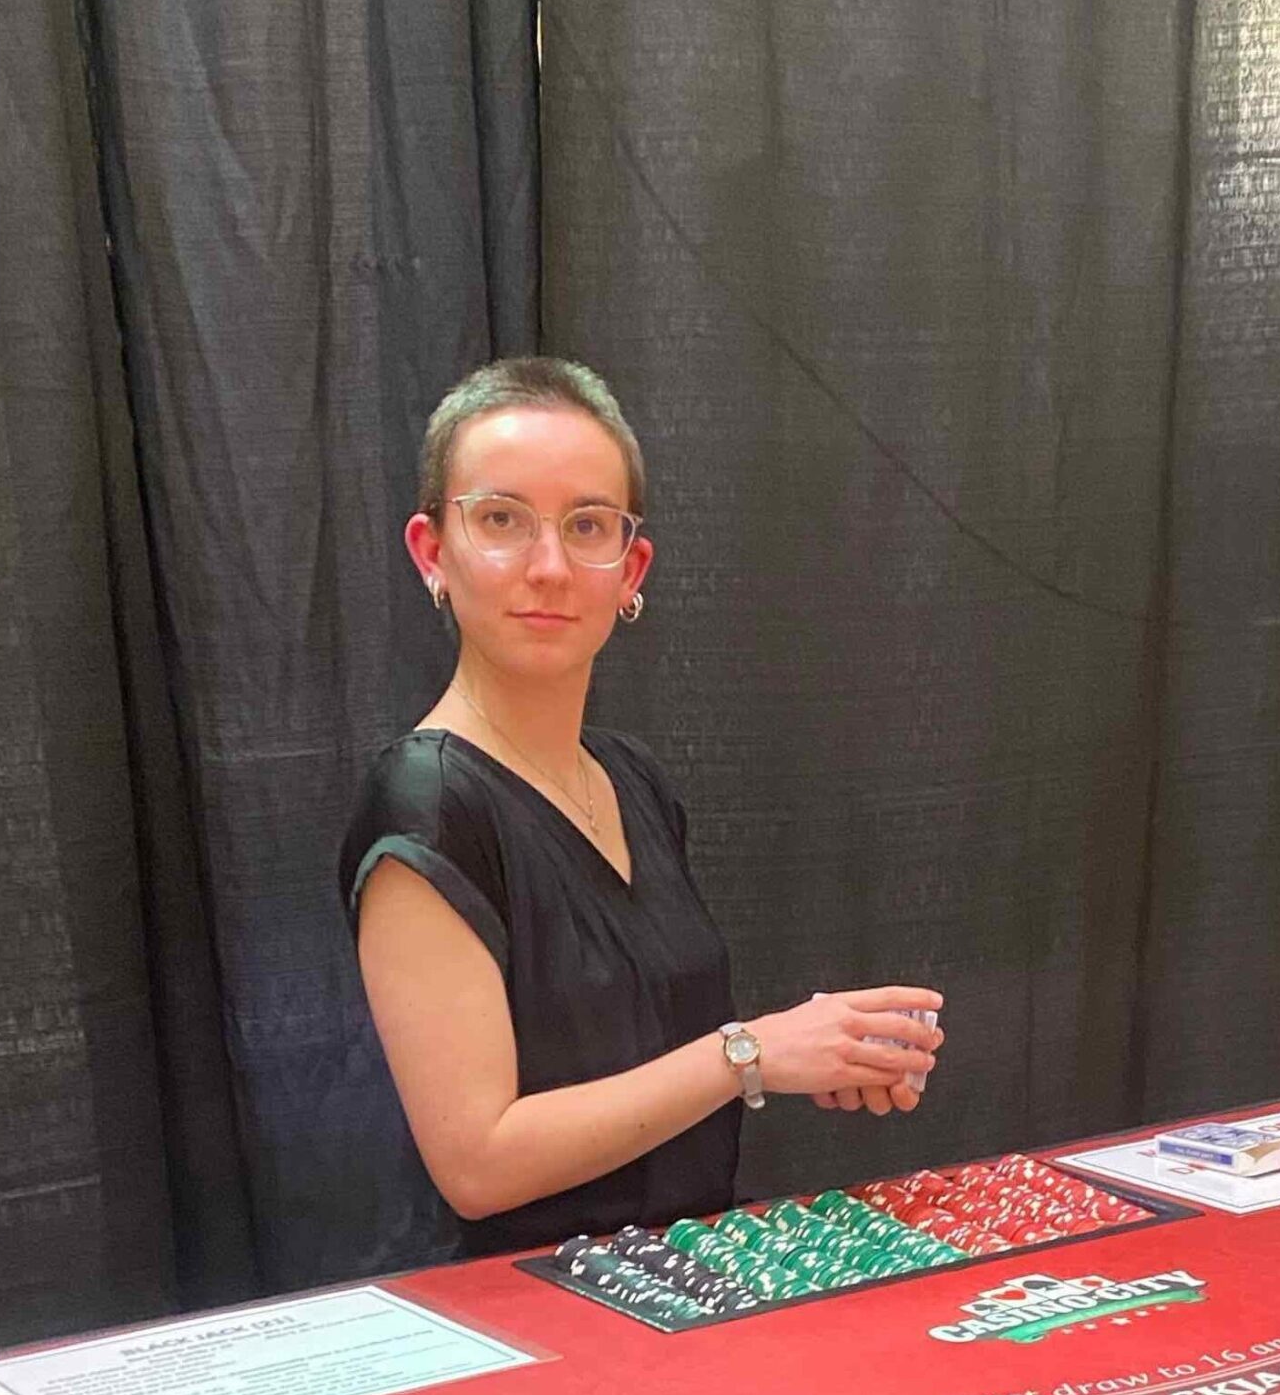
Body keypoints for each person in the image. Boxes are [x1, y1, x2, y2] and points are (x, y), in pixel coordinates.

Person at [340, 356, 943, 1260]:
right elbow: (478, 1163)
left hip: (695, 1278)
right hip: (533, 1317)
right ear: (433, 551)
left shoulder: (632, 779)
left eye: (588, 525)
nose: (547, 566)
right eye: (502, 520)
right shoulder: (427, 800)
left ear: (631, 568)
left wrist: (823, 1051)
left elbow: (661, 1060)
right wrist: (749, 1056)